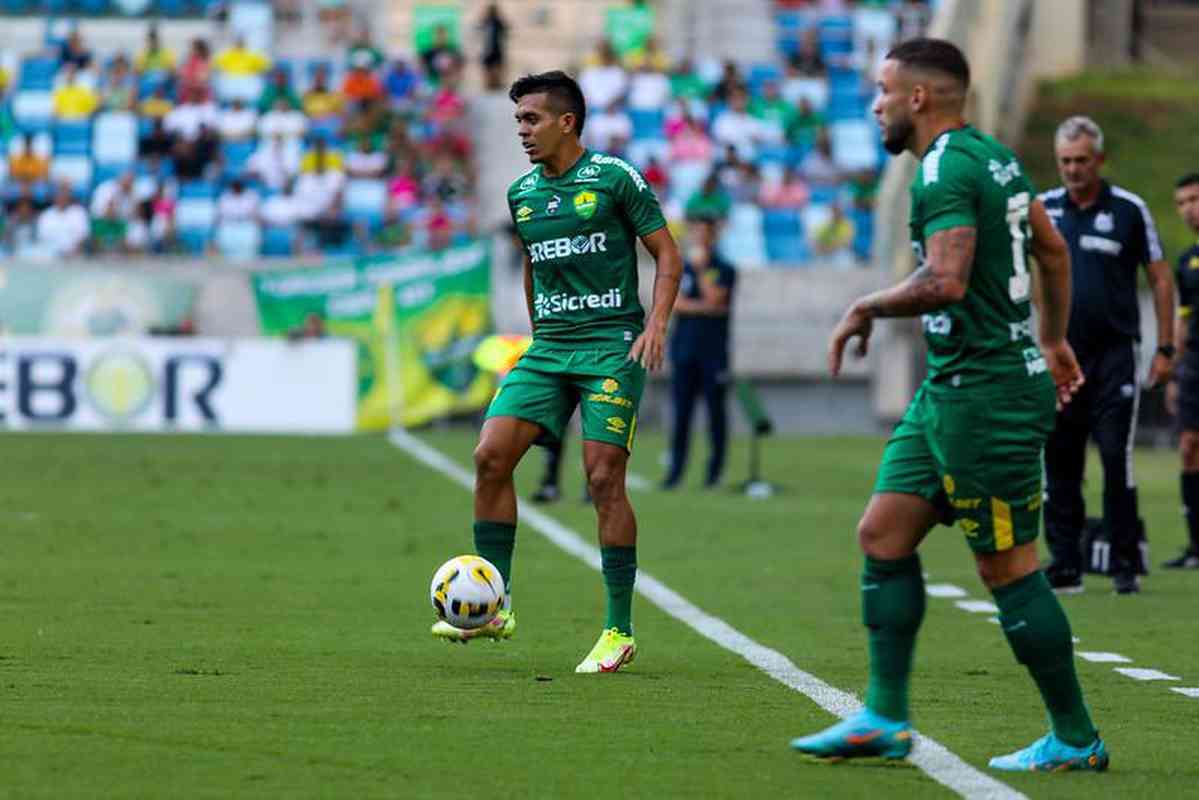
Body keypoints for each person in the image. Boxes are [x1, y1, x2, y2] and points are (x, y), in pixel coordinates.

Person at [791, 38, 1109, 773]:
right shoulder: (994, 156)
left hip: (988, 397)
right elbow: (1051, 248)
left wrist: (864, 304)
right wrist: (1054, 340)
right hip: (951, 389)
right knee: (882, 535)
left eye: (881, 90)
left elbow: (945, 281)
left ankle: (1075, 734)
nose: (872, 104)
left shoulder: (942, 171)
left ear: (917, 98)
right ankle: (883, 718)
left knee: (1005, 568)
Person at [430, 71, 683, 675]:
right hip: (550, 347)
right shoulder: (522, 193)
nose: (522, 131)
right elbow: (531, 264)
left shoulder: (615, 178)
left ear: (566, 122)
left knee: (602, 479)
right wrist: (537, 331)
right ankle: (496, 606)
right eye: (518, 120)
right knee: (490, 456)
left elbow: (668, 255)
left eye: (531, 119)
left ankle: (617, 629)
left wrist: (657, 326)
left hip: (611, 348)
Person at [1039, 116, 1174, 595]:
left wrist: (1164, 346)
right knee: (1060, 459)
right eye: (1065, 161)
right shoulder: (1042, 209)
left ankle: (1123, 561)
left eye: (1081, 160)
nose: (1073, 169)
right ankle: (1065, 562)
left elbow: (1159, 277)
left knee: (1116, 457)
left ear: (1100, 160)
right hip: (1059, 356)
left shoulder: (1129, 210)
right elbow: (1017, 273)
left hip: (1116, 354)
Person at [661, 219, 735, 489]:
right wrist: (704, 306)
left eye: (705, 233)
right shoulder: (680, 267)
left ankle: (714, 474)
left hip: (713, 353)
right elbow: (675, 305)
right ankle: (675, 473)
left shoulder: (724, 268)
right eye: (696, 232)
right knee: (681, 415)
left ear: (713, 237)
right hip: (684, 351)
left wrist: (703, 271)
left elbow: (717, 299)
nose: (700, 238)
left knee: (716, 415)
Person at [1166, 173, 1199, 569]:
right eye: (1182, 202)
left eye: (1194, 198)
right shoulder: (1187, 261)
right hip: (1194, 365)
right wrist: (1174, 372)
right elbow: (1184, 319)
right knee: (1189, 449)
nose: (1189, 209)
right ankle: (1195, 545)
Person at [478, 2, 509, 91]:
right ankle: (490, 85)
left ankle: (496, 84)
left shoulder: (497, 21)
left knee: (496, 68)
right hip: (488, 49)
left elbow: (505, 30)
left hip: (495, 48)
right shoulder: (486, 21)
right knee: (489, 68)